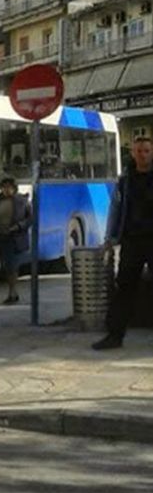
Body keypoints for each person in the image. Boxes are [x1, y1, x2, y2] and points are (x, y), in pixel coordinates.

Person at [93, 136, 153, 350]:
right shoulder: (125, 179)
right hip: (133, 240)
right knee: (125, 287)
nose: (142, 154)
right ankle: (115, 335)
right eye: (138, 151)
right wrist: (109, 238)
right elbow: (115, 209)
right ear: (132, 153)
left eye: (146, 150)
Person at [0, 176, 33, 305]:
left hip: (14, 238)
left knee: (12, 266)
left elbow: (31, 218)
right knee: (5, 267)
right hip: (1, 237)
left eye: (9, 187)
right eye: (4, 187)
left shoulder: (22, 200)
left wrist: (19, 226)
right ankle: (13, 292)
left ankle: (12, 292)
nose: (6, 190)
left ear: (14, 188)